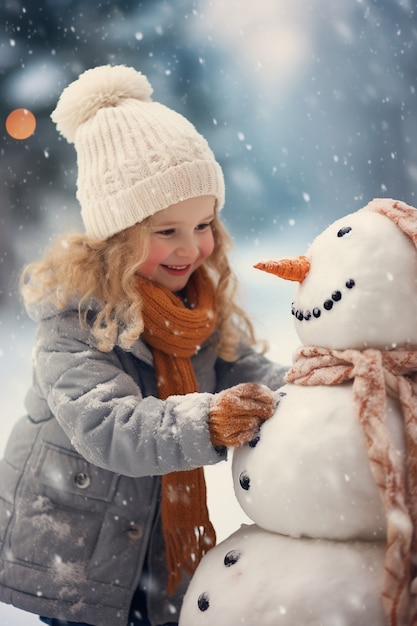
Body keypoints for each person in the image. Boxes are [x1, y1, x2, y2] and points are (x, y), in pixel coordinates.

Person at [0, 65, 286, 626]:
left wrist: (316, 385)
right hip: (72, 554)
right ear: (119, 235)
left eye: (204, 224)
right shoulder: (74, 319)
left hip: (152, 549)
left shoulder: (193, 308)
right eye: (167, 231)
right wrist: (209, 421)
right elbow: (111, 427)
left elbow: (242, 367)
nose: (193, 247)